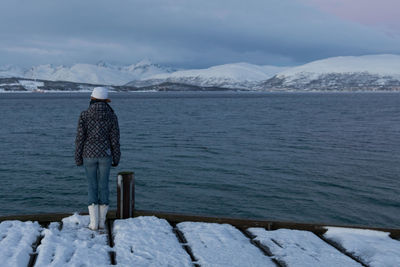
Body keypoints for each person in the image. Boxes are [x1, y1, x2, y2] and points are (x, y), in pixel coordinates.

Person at [75, 87, 120, 230]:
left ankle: (93, 223)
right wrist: (116, 157)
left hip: (88, 155)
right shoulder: (112, 116)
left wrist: (78, 157)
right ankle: (101, 222)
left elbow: (80, 139)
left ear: (92, 99)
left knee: (92, 186)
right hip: (105, 155)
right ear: (106, 100)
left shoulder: (84, 115)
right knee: (104, 186)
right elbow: (115, 140)